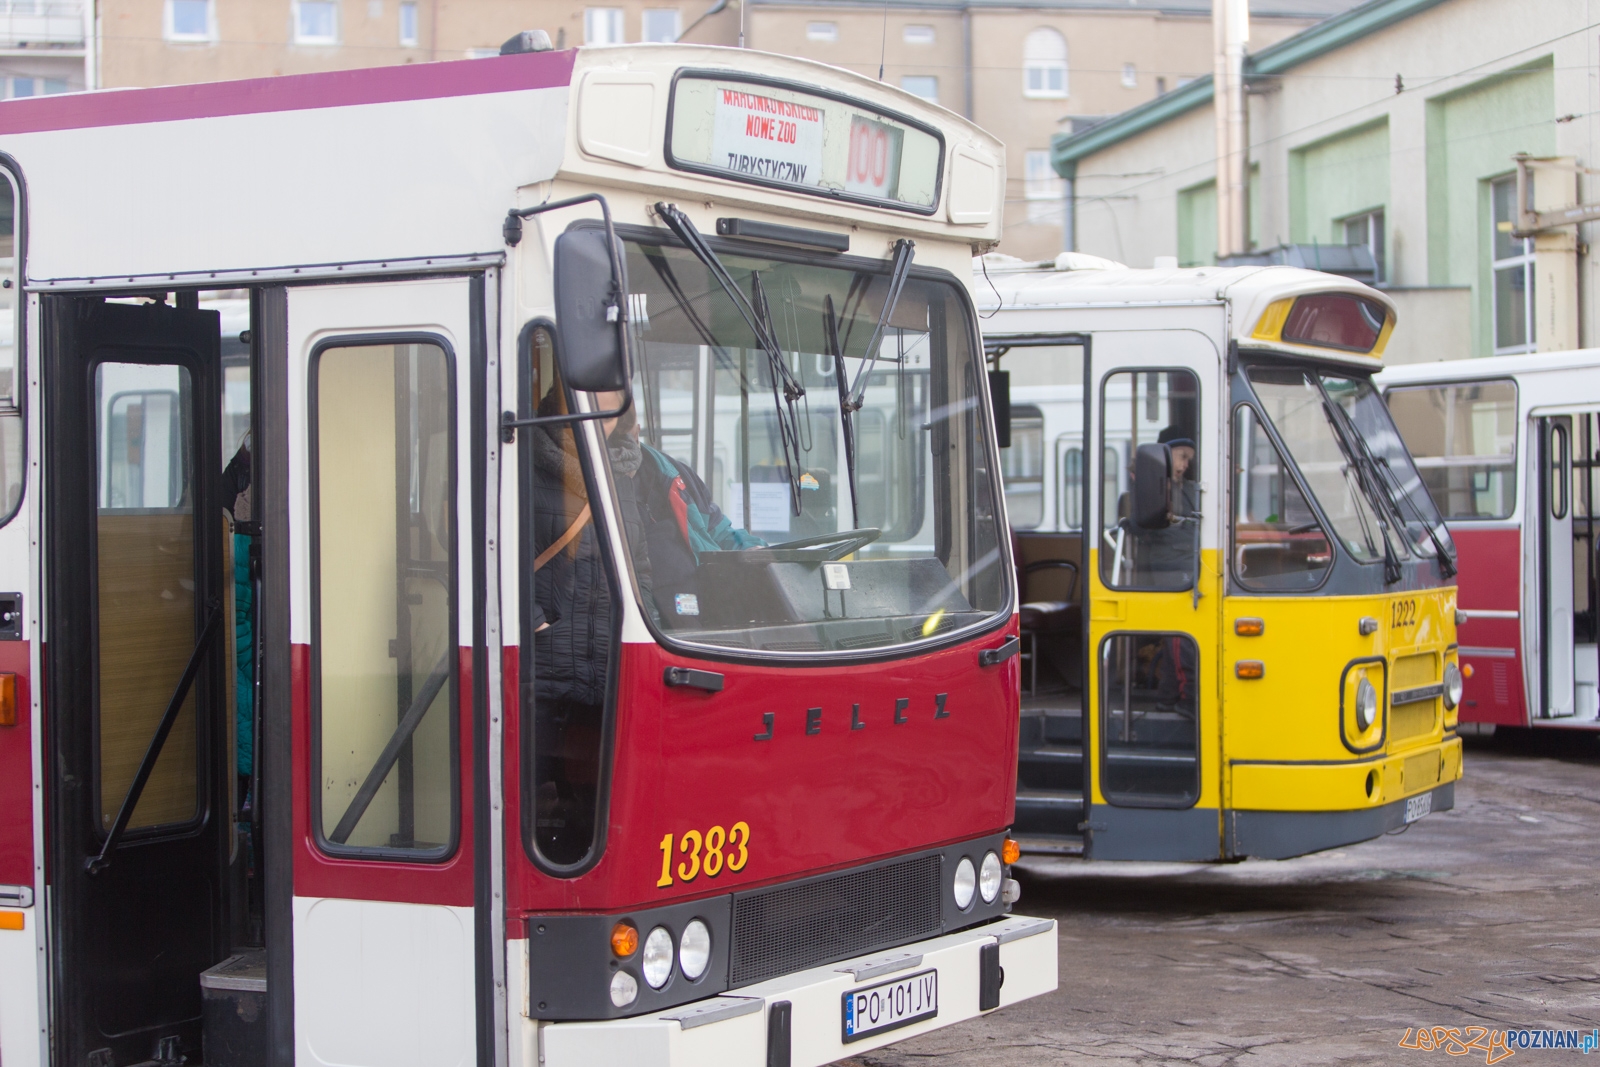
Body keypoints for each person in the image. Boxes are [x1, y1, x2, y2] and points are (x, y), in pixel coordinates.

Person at [525, 385, 653, 864]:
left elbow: (639, 566)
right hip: (544, 677)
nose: (604, 401)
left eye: (613, 389)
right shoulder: (526, 459)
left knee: (595, 818)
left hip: (608, 673)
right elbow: (484, 552)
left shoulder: (627, 471)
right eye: (592, 388)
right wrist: (535, 623)